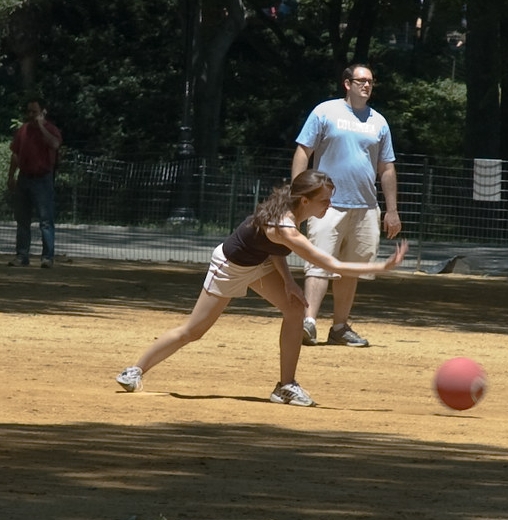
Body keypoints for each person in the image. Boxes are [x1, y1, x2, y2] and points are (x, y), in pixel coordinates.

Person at [114, 170, 409, 406]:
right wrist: (380, 267)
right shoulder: (286, 227)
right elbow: (332, 265)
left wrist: (290, 282)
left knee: (296, 308)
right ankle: (134, 370)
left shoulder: (293, 214)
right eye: (324, 200)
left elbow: (272, 249)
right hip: (230, 267)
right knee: (194, 331)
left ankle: (286, 386)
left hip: (258, 264)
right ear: (305, 200)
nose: (329, 205)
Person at [291, 64, 401, 348]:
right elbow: (303, 151)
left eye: (370, 82)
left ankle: (339, 327)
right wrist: (298, 195)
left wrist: (391, 210)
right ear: (347, 84)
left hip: (365, 207)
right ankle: (309, 323)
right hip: (326, 205)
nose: (367, 85)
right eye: (361, 80)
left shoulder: (379, 122)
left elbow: (386, 168)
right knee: (317, 265)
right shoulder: (325, 112)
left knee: (351, 269)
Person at [7, 98, 62, 268]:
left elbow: (55, 144)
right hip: (24, 178)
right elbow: (15, 154)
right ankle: (22, 255)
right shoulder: (22, 131)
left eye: (34, 112)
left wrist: (41, 127)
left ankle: (47, 258)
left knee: (46, 220)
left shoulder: (51, 130)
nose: (30, 115)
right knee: (22, 220)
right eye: (29, 111)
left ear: (42, 112)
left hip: (43, 179)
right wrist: (10, 176)